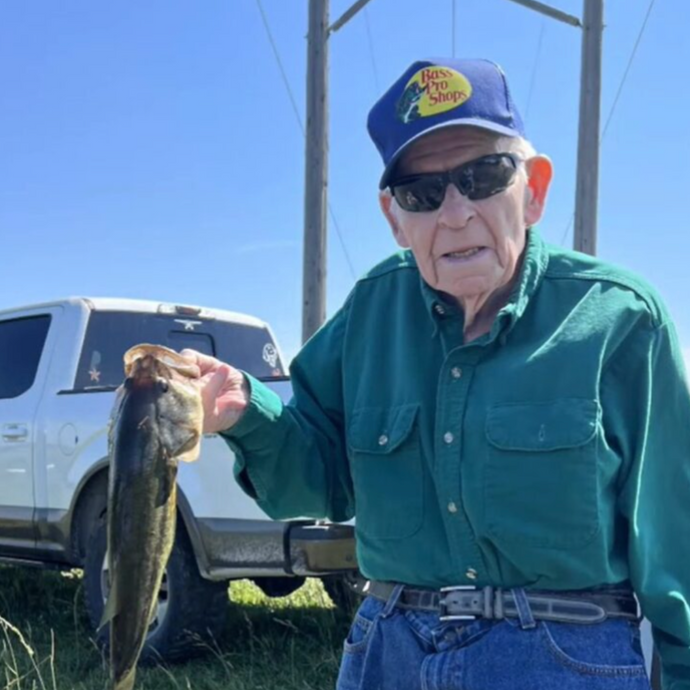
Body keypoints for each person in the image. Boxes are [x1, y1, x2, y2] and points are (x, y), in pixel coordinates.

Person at [183, 58, 690, 689]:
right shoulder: (369, 312)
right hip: (388, 648)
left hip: (565, 657)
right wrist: (245, 412)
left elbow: (676, 545)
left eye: (482, 176)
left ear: (532, 189)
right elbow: (315, 486)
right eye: (422, 195)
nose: (454, 214)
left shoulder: (621, 318)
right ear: (396, 218)